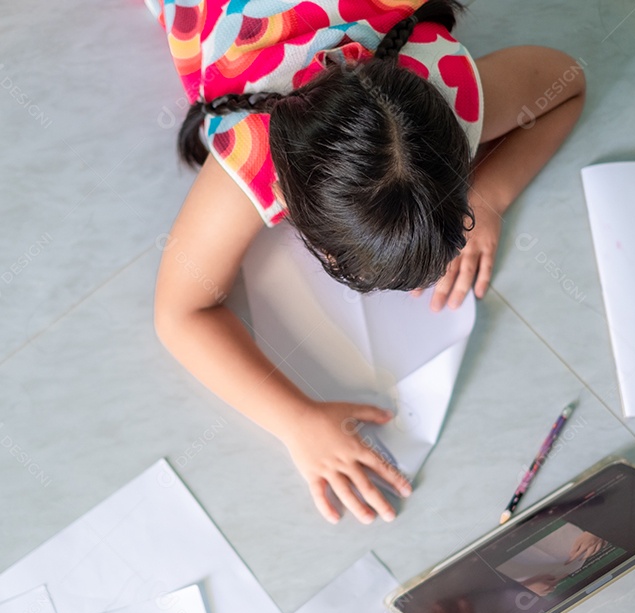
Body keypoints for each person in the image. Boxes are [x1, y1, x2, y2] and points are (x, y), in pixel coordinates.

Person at [152, 0, 585, 524]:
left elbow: (568, 83)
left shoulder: (456, 96)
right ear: (294, 211)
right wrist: (294, 421)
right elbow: (179, 314)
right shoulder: (254, 155)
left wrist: (489, 198)